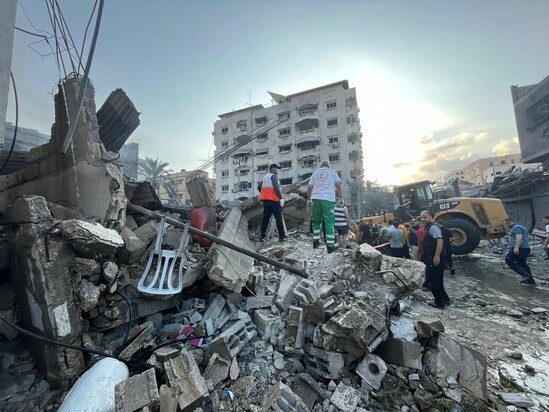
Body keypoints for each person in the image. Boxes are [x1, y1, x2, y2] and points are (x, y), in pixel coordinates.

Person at [307, 160, 343, 253]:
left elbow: (309, 187)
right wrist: (341, 198)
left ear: (321, 166)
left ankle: (316, 242)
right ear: (328, 166)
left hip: (316, 198)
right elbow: (338, 185)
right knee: (329, 222)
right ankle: (330, 245)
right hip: (328, 199)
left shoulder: (315, 173)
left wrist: (309, 199)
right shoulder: (332, 172)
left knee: (316, 221)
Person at [420, 210, 451, 309]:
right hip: (432, 256)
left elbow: (440, 242)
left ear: (431, 217)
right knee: (439, 280)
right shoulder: (429, 227)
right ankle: (445, 299)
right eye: (422, 218)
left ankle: (439, 303)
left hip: (434, 257)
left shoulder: (433, 227)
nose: (423, 219)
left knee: (434, 281)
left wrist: (437, 256)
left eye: (425, 217)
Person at [258, 163, 287, 242]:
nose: (278, 170)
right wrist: (281, 198)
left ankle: (262, 236)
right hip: (274, 201)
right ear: (273, 169)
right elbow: (276, 187)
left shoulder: (265, 177)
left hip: (266, 201)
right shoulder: (273, 176)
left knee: (266, 218)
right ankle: (282, 236)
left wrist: (265, 194)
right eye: (277, 169)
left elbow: (259, 187)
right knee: (278, 218)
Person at [503, 218, 535, 285]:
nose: (505, 226)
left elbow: (519, 237)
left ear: (510, 222)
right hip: (525, 248)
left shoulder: (516, 227)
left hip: (520, 248)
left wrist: (516, 247)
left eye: (506, 224)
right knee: (522, 263)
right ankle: (530, 280)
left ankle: (525, 276)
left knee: (509, 260)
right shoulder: (520, 227)